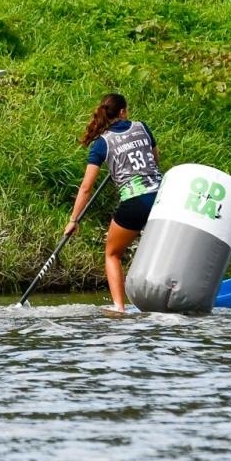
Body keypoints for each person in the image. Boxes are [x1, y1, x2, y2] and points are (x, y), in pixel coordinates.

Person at [66, 93, 161, 314]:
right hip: (162, 196)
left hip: (135, 202)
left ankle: (119, 307)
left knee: (112, 253)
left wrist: (74, 220)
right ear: (123, 112)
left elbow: (86, 187)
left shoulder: (101, 144)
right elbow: (155, 159)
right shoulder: (142, 127)